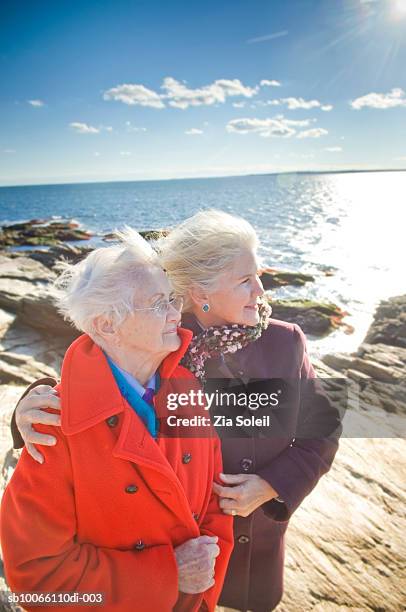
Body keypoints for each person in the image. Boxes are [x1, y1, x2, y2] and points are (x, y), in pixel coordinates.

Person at [10, 210, 341, 612]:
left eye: (259, 274)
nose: (262, 291)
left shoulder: (284, 342)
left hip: (255, 546)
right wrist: (29, 406)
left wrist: (272, 484)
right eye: (244, 280)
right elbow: (99, 369)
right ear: (200, 292)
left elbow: (321, 428)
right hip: (164, 556)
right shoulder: (167, 339)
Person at [1, 230, 233, 612]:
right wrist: (168, 574)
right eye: (159, 303)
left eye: (173, 299)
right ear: (108, 325)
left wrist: (202, 589)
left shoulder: (186, 385)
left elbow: (215, 500)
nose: (176, 313)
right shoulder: (54, 424)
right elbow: (37, 583)